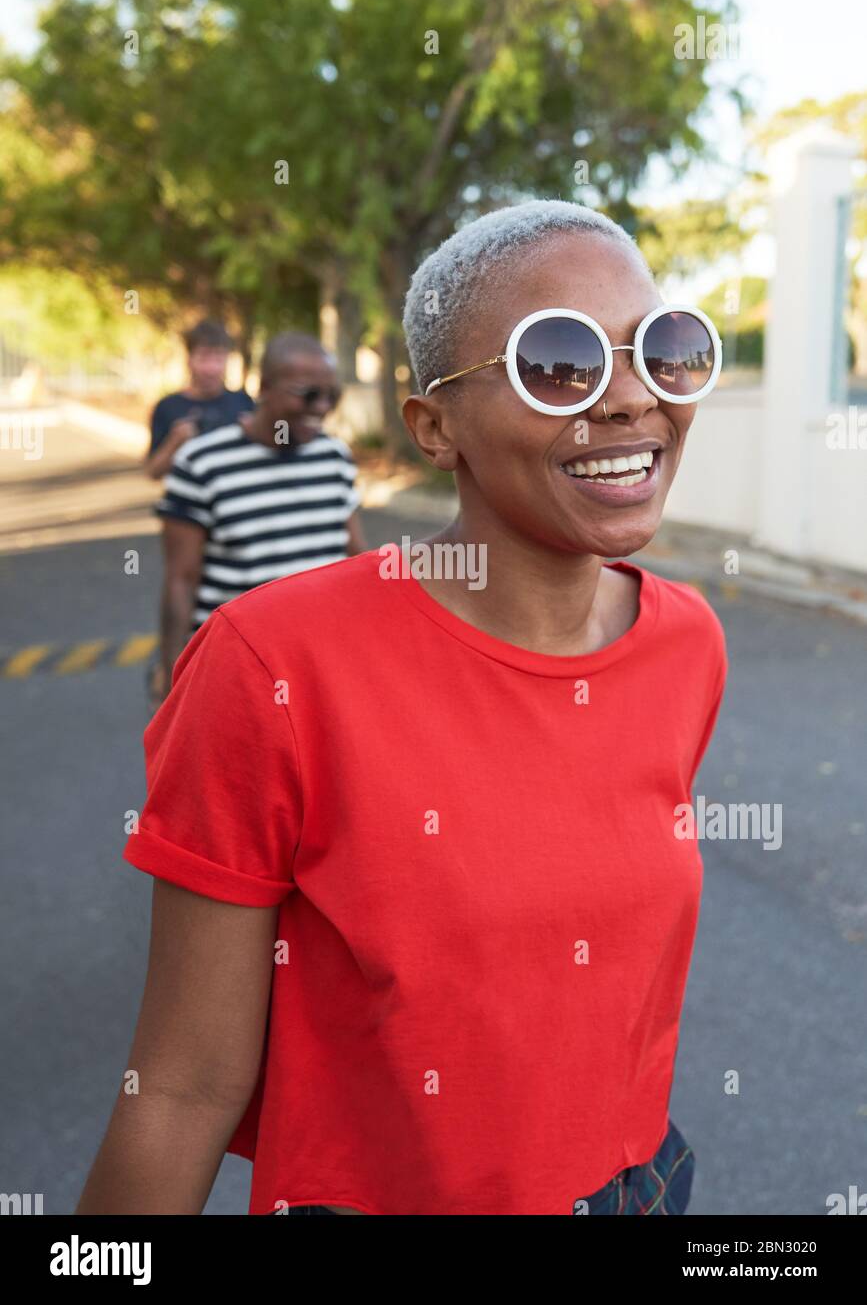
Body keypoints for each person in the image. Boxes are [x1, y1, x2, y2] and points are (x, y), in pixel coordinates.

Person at [78, 200, 726, 1216]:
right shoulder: (270, 666)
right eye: (558, 364)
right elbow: (181, 1085)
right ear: (435, 426)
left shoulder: (688, 644)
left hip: (636, 1188)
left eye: (665, 347)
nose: (632, 399)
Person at [150, 330, 366, 707]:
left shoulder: (334, 457)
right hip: (236, 667)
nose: (321, 407)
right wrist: (173, 679)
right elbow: (180, 581)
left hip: (322, 664)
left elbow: (354, 557)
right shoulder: (202, 463)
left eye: (332, 395)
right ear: (264, 387)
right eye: (308, 393)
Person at [144, 319, 254, 482]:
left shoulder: (243, 402)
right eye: (203, 357)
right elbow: (153, 472)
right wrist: (175, 442)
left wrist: (253, 434)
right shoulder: (167, 407)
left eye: (218, 358)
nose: (211, 368)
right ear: (189, 359)